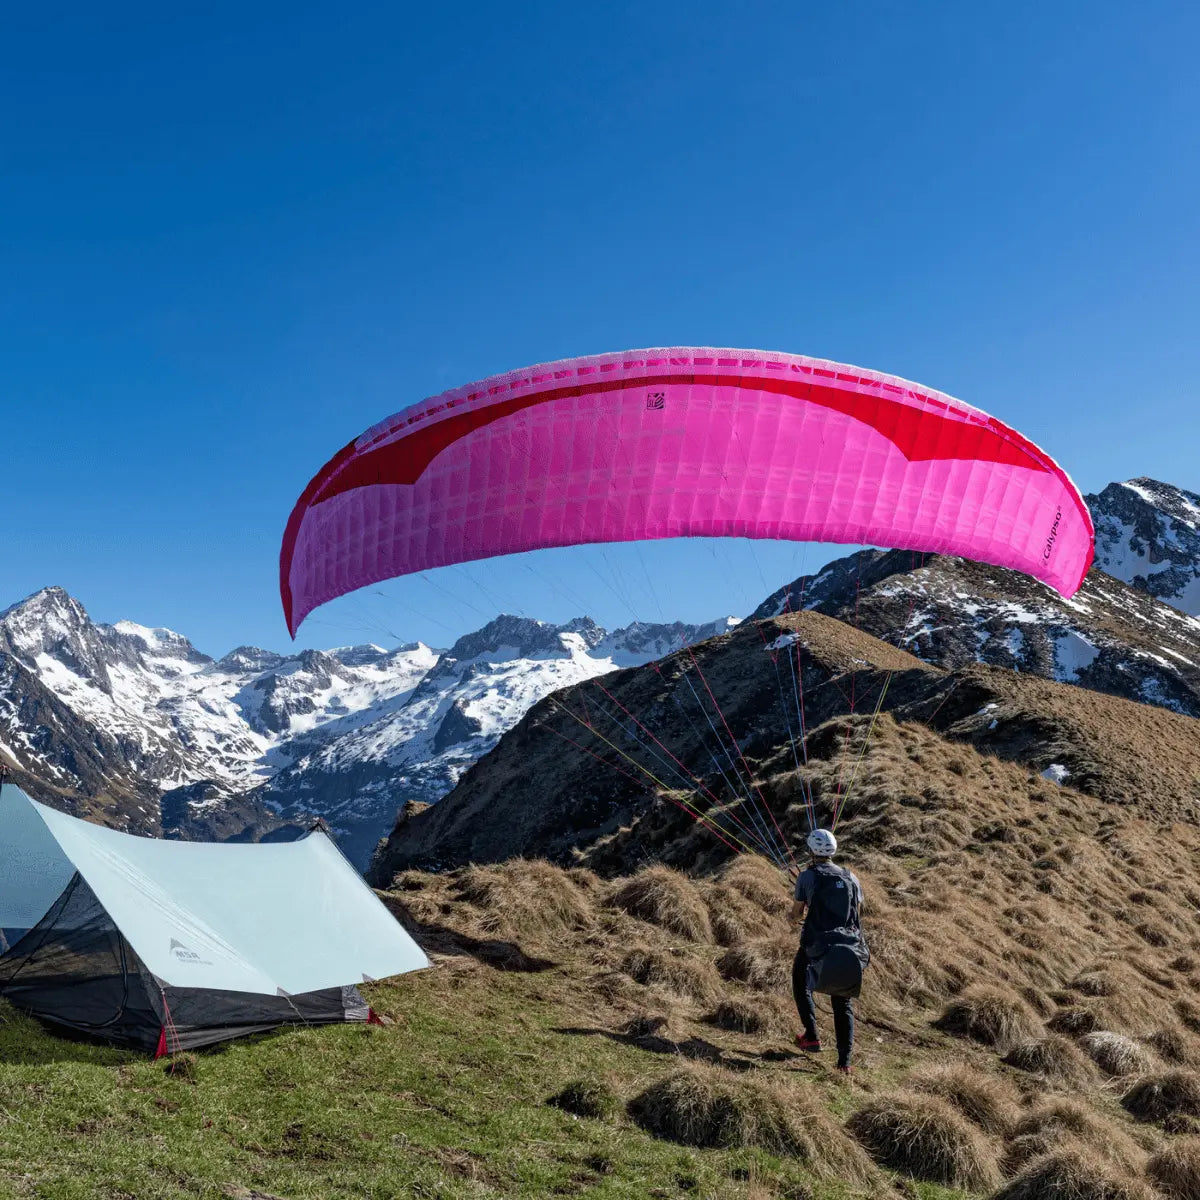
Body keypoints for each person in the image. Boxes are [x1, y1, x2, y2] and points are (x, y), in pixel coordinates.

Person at [789, 827, 868, 1074]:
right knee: (842, 1001)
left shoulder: (807, 877)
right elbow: (856, 914)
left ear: (811, 851)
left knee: (800, 981)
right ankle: (844, 1063)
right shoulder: (851, 877)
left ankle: (811, 1036)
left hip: (817, 945)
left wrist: (793, 918)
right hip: (848, 947)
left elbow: (796, 913)